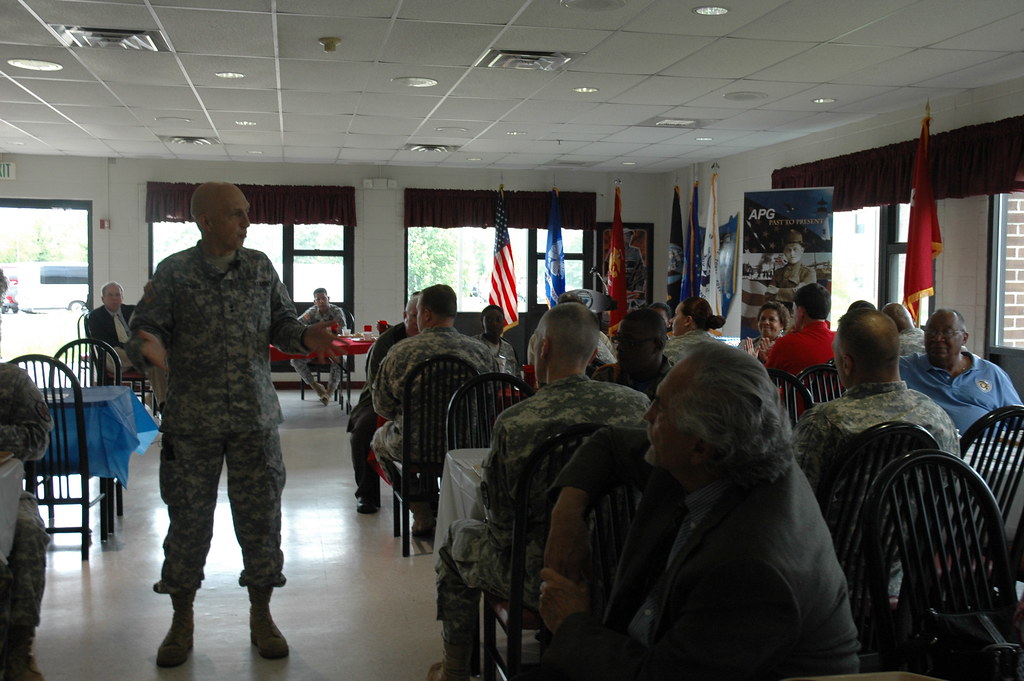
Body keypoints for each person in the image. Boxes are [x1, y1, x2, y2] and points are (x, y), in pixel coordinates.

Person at [535, 342, 860, 681]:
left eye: (661, 407)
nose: (647, 415)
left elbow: (660, 676)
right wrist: (567, 514)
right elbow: (609, 444)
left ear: (701, 446)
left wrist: (570, 622)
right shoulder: (726, 457)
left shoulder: (750, 565)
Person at [126, 181, 344, 667]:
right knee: (187, 522)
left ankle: (262, 615)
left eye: (246, 212)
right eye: (235, 214)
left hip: (253, 418)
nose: (247, 222)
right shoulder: (175, 272)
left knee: (261, 519)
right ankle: (181, 620)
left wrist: (306, 336)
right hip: (192, 421)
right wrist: (147, 346)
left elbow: (283, 325)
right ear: (205, 221)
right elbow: (144, 329)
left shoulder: (261, 268)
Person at [429, 302, 650, 681]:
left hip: (539, 577)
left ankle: (455, 670)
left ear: (542, 347)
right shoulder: (636, 405)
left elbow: (501, 530)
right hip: (623, 571)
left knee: (456, 539)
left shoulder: (516, 421)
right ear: (593, 353)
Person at [371, 284, 496, 534]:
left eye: (417, 312)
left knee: (378, 441)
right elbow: (489, 401)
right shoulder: (480, 352)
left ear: (426, 314)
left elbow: (382, 406)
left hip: (414, 446)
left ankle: (420, 510)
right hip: (465, 444)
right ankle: (461, 509)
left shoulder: (401, 352)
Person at [794, 308, 959, 490]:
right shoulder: (938, 417)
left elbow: (795, 496)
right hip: (924, 510)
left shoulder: (823, 423)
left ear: (847, 364)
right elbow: (953, 491)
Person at [0, 364, 53, 681]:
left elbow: (37, 440)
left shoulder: (11, 381)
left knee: (28, 531)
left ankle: (19, 651)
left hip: (5, 490)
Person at [346, 292, 420, 515]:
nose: (418, 322)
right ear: (404, 315)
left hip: (421, 402)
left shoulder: (432, 339)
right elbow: (378, 387)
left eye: (423, 316)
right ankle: (366, 494)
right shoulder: (386, 342)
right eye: (413, 316)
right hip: (379, 400)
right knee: (362, 431)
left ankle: (427, 494)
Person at [900, 308, 1022, 434]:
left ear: (964, 338)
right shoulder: (906, 368)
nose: (938, 338)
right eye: (932, 332)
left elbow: (1018, 419)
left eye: (947, 332)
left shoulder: (992, 373)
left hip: (991, 444)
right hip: (933, 445)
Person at [87, 281, 169, 408]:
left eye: (117, 295)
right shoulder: (95, 317)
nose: (114, 298)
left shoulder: (132, 311)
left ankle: (160, 403)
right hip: (114, 356)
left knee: (156, 363)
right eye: (110, 295)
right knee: (150, 356)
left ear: (122, 297)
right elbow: (102, 341)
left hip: (135, 353)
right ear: (103, 299)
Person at [592, 308, 672, 399]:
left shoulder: (678, 384)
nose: (619, 348)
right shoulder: (607, 377)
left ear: (657, 345)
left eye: (631, 343)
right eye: (619, 340)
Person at [290, 287, 350, 406]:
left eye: (323, 298)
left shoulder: (336, 311)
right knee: (295, 360)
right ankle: (316, 387)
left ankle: (329, 392)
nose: (321, 301)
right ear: (315, 302)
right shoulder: (312, 312)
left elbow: (342, 329)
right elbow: (297, 325)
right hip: (315, 348)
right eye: (318, 299)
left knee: (340, 360)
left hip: (332, 346)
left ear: (328, 298)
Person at [766, 283, 835, 375]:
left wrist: (767, 358)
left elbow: (766, 380)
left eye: (793, 310)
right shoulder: (840, 341)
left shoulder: (785, 344)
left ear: (801, 312)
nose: (793, 315)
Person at [662, 297, 724, 364]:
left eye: (676, 315)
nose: (671, 320)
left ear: (688, 320)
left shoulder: (665, 349)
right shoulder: (723, 349)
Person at [766, 229, 816, 303]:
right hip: (778, 310)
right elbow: (768, 295)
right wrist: (791, 293)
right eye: (788, 250)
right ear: (784, 252)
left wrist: (777, 291)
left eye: (795, 250)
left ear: (802, 250)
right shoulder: (778, 273)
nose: (792, 254)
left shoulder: (809, 272)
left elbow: (802, 294)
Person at [474, 304, 520, 377]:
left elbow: (516, 375)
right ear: (482, 324)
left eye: (498, 320)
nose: (494, 324)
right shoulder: (473, 345)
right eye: (489, 320)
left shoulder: (509, 348)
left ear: (504, 323)